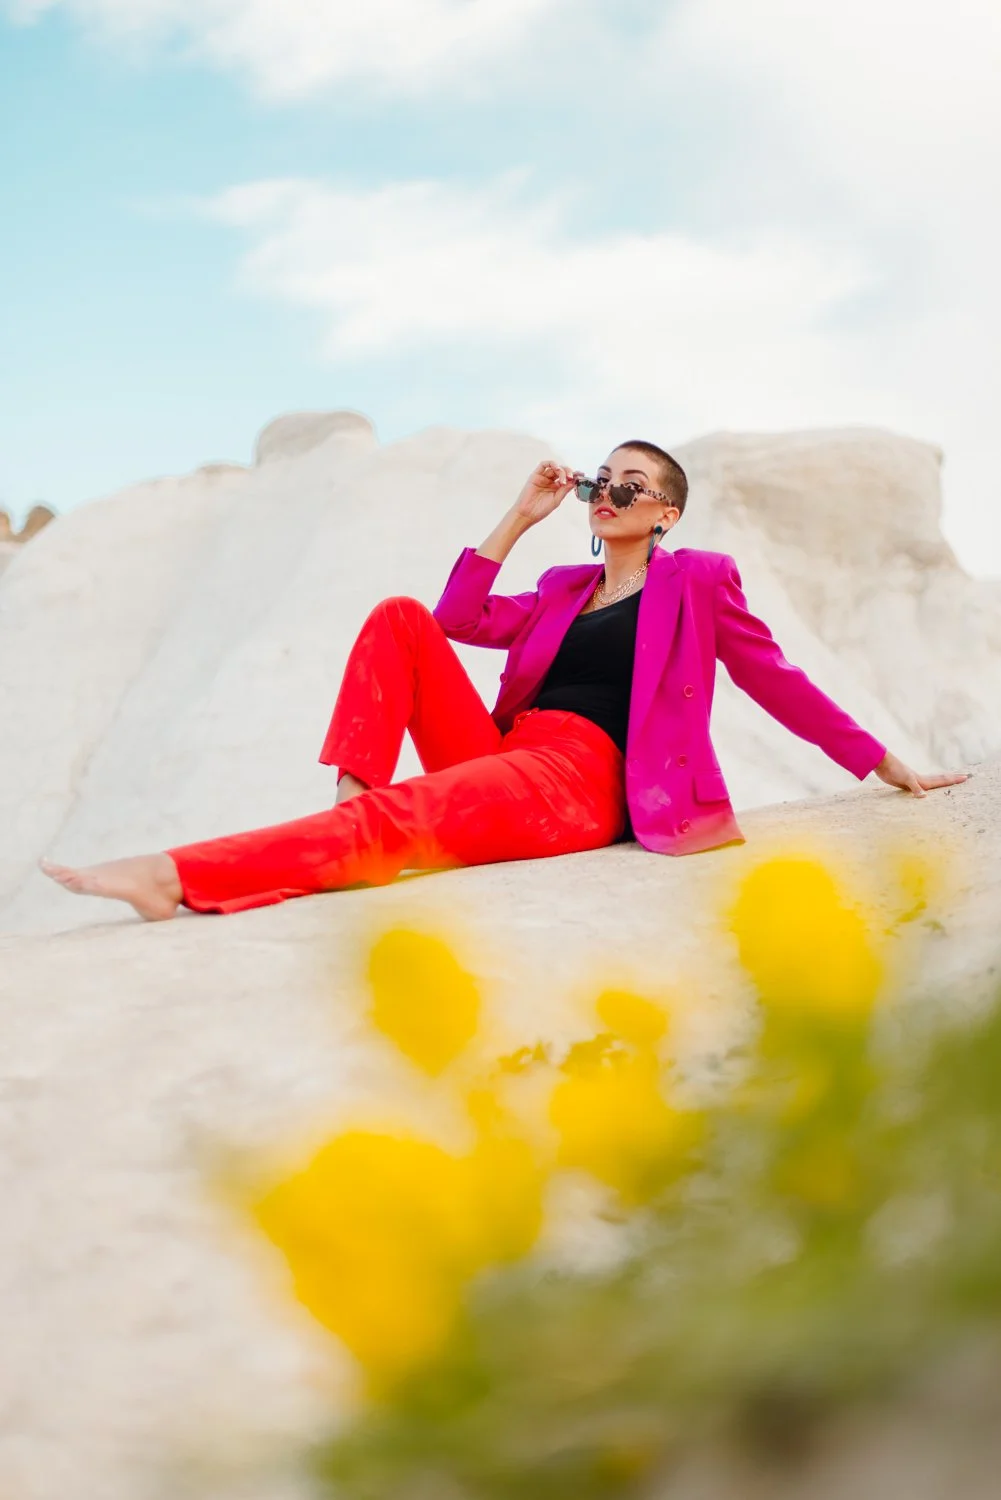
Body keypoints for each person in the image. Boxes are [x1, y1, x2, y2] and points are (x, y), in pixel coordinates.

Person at [40, 440, 968, 920]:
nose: (606, 495)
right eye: (600, 482)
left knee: (403, 814)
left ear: (666, 514)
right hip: (506, 751)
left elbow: (776, 680)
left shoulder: (696, 581)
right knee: (398, 616)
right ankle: (351, 818)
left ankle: (172, 876)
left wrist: (887, 765)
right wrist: (520, 515)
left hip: (580, 779)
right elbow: (455, 620)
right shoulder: (562, 586)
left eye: (630, 486)